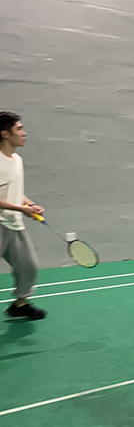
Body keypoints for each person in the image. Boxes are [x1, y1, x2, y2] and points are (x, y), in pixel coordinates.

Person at [0, 111, 47, 320]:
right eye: (19, 129)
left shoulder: (17, 160)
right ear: (5, 134)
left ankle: (20, 305)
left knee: (29, 268)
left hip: (14, 224)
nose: (24, 133)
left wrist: (30, 205)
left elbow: (14, 192)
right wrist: (22, 209)